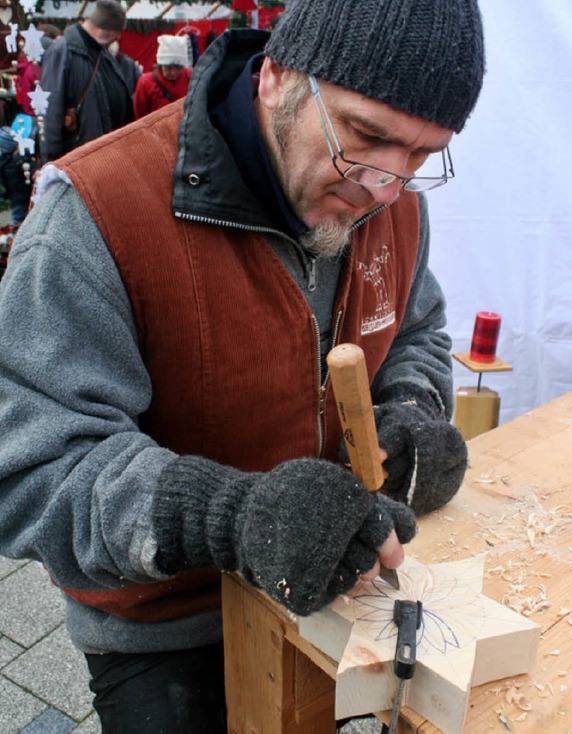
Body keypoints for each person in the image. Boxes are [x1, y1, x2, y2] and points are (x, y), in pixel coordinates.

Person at [0, 0, 485, 731]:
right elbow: (31, 464)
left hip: (338, 575)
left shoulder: (393, 202)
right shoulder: (98, 211)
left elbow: (415, 328)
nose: (385, 186)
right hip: (170, 618)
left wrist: (412, 413)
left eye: (422, 154)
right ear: (277, 78)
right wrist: (232, 515)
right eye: (366, 136)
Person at [39, 0, 133, 162]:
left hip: (106, 155)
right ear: (102, 27)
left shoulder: (101, 51)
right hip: (81, 158)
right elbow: (51, 109)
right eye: (116, 31)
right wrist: (51, 162)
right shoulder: (62, 51)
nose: (118, 37)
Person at [133, 34, 192, 119]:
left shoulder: (190, 77)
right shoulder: (145, 82)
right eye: (168, 68)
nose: (173, 73)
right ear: (160, 65)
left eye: (178, 68)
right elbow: (140, 116)